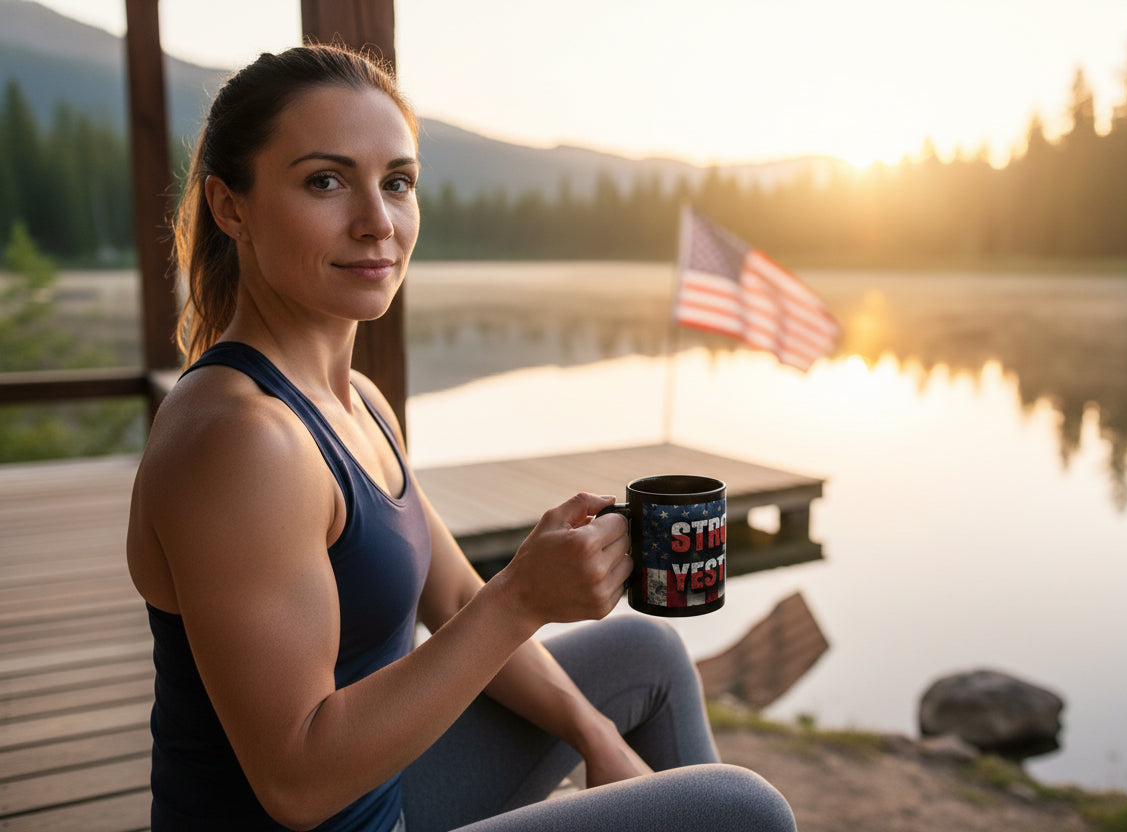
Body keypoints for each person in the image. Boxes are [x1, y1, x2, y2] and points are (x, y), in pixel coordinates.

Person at [125, 43, 796, 832]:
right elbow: (297, 784)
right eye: (326, 182)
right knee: (741, 808)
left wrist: (596, 737)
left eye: (398, 183)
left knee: (643, 656)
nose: (377, 223)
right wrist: (523, 601)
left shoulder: (361, 403)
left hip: (384, 796)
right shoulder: (242, 442)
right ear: (230, 206)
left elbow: (453, 598)